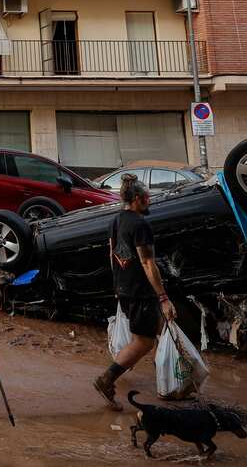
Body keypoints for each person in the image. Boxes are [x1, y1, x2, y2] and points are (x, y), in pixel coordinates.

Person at [93, 174, 176, 410]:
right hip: (141, 291)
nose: (149, 201)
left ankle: (169, 377)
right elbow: (148, 263)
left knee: (156, 330)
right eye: (147, 198)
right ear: (139, 199)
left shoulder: (116, 221)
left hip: (124, 288)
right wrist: (163, 297)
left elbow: (112, 255)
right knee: (144, 342)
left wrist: (117, 287)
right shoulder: (141, 225)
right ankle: (106, 379)